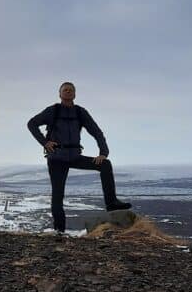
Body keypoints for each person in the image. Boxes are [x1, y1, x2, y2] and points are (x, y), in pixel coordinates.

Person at [27, 81, 131, 233]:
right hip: (56, 158)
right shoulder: (53, 111)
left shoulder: (80, 112)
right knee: (57, 195)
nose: (68, 92)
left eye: (71, 90)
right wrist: (44, 142)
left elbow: (97, 132)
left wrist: (103, 153)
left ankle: (111, 203)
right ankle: (59, 231)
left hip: (75, 156)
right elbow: (32, 124)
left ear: (75, 94)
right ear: (60, 94)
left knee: (105, 164)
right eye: (65, 90)